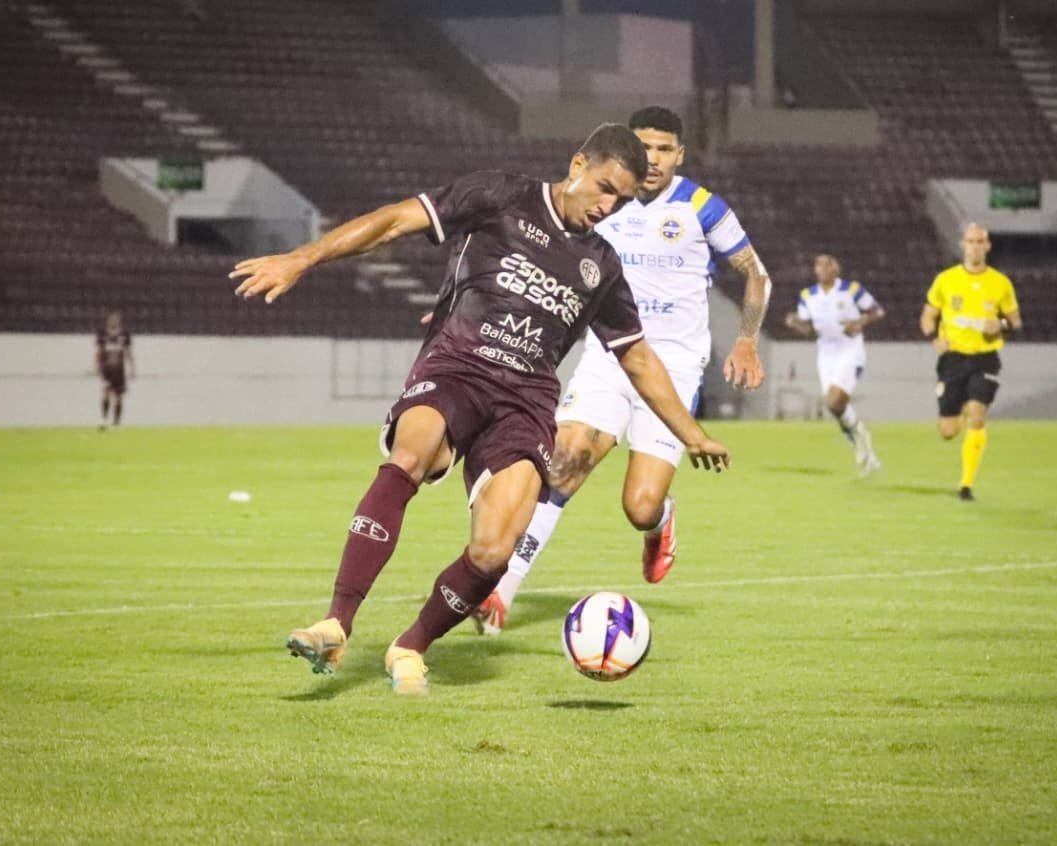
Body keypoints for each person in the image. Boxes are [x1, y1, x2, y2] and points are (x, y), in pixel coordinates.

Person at [229, 124, 730, 695]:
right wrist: (303, 258)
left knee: (495, 549)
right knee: (411, 454)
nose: (608, 206)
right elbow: (394, 221)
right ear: (578, 165)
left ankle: (411, 646)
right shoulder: (500, 196)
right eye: (605, 188)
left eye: (622, 199)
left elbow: (637, 357)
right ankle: (336, 622)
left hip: (526, 401)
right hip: (456, 368)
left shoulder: (601, 264)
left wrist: (692, 435)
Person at [472, 106, 771, 636]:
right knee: (564, 462)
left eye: (663, 149)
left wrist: (746, 339)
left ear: (680, 154)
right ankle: (502, 591)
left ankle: (660, 522)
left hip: (673, 368)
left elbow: (756, 274)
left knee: (639, 506)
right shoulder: (605, 203)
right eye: (643, 147)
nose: (652, 159)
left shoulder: (703, 207)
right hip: (608, 357)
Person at [920, 223, 1022, 501]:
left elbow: (1015, 322)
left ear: (987, 246)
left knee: (977, 415)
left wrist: (1001, 325)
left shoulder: (1000, 283)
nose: (975, 246)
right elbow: (928, 316)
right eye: (971, 241)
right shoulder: (946, 280)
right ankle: (964, 407)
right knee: (948, 431)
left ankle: (966, 486)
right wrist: (934, 337)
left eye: (980, 241)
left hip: (985, 359)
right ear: (962, 245)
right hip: (953, 360)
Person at [784, 254, 885, 475]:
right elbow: (807, 328)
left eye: (826, 264)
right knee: (834, 407)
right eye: (818, 265)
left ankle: (860, 438)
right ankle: (860, 438)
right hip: (826, 354)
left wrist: (860, 321)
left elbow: (877, 311)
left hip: (850, 350)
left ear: (835, 268)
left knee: (835, 400)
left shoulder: (851, 289)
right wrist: (795, 322)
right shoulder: (808, 296)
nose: (821, 269)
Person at [95, 311, 134, 429]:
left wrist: (132, 367)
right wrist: (97, 367)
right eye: (111, 319)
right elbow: (99, 352)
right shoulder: (102, 334)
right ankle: (103, 420)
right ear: (108, 321)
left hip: (119, 370)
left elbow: (128, 352)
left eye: (116, 319)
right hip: (106, 370)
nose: (113, 322)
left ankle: (116, 422)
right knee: (106, 393)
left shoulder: (124, 335)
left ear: (119, 321)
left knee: (118, 396)